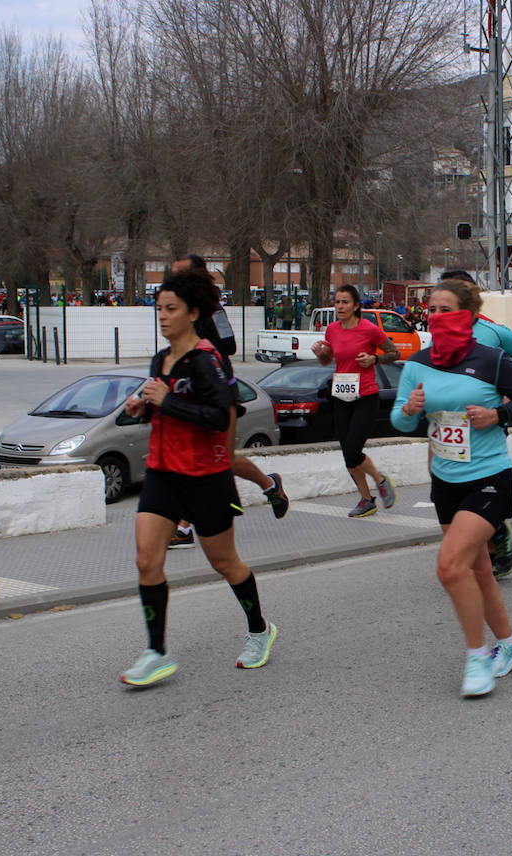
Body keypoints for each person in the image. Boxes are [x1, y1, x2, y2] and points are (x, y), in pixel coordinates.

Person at [119, 271, 275, 686]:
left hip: (205, 476)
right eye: (159, 310)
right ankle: (156, 651)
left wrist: (168, 401)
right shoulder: (161, 359)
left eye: (171, 309)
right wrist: (144, 408)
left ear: (193, 313)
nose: (163, 317)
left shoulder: (208, 361)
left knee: (225, 563)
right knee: (145, 560)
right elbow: (163, 409)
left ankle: (260, 629)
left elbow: (216, 418)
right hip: (162, 473)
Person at [391, 280, 512, 696]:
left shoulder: (491, 360)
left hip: (490, 477)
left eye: (445, 309)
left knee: (449, 566)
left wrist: (497, 414)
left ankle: (478, 657)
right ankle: (509, 646)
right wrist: (409, 410)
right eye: (431, 310)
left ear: (468, 315)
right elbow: (400, 422)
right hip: (446, 480)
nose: (436, 317)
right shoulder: (418, 364)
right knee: (477, 571)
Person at [166, 257, 288, 549]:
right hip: (192, 395)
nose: (173, 280)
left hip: (218, 393)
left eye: (178, 275)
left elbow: (229, 345)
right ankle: (269, 484)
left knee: (207, 458)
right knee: (213, 458)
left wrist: (200, 352)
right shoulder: (176, 311)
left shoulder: (213, 311)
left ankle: (183, 528)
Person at [441, 269, 512, 578]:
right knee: (452, 490)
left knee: (479, 483)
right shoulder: (437, 332)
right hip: (448, 426)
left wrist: (506, 403)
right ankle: (482, 542)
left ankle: (495, 534)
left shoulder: (492, 331)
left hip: (486, 423)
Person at [311, 284, 401, 518]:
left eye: (344, 302)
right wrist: (320, 353)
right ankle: (366, 500)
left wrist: (374, 359)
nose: (339, 306)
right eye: (337, 302)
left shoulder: (369, 329)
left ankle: (381, 480)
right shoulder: (332, 329)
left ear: (356, 305)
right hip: (341, 395)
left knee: (353, 451)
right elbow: (327, 360)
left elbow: (395, 354)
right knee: (347, 455)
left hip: (366, 395)